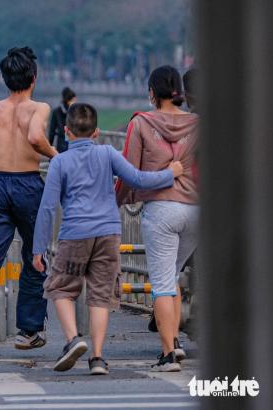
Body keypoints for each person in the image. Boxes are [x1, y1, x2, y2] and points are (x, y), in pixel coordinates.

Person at [32, 103, 183, 375]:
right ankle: (98, 358)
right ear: (97, 132)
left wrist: (38, 248)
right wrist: (170, 174)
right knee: (101, 295)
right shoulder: (107, 153)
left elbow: (47, 207)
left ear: (66, 131)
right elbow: (138, 178)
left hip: (75, 233)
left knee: (61, 288)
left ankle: (72, 340)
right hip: (108, 232)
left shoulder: (59, 162)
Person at [0, 47, 58, 353]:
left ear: (5, 79)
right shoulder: (39, 107)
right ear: (33, 77)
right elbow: (33, 137)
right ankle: (28, 330)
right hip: (29, 184)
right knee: (35, 255)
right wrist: (56, 156)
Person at [116, 65, 199, 372]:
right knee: (173, 275)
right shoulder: (199, 124)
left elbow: (128, 173)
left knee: (162, 283)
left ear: (152, 93)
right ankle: (174, 340)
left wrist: (117, 200)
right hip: (196, 210)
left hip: (162, 210)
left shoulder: (141, 123)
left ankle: (168, 352)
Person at [48, 87, 77, 153]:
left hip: (69, 146)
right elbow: (52, 132)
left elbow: (51, 133)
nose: (75, 102)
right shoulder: (72, 111)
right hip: (64, 146)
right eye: (74, 100)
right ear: (69, 100)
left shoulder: (75, 111)